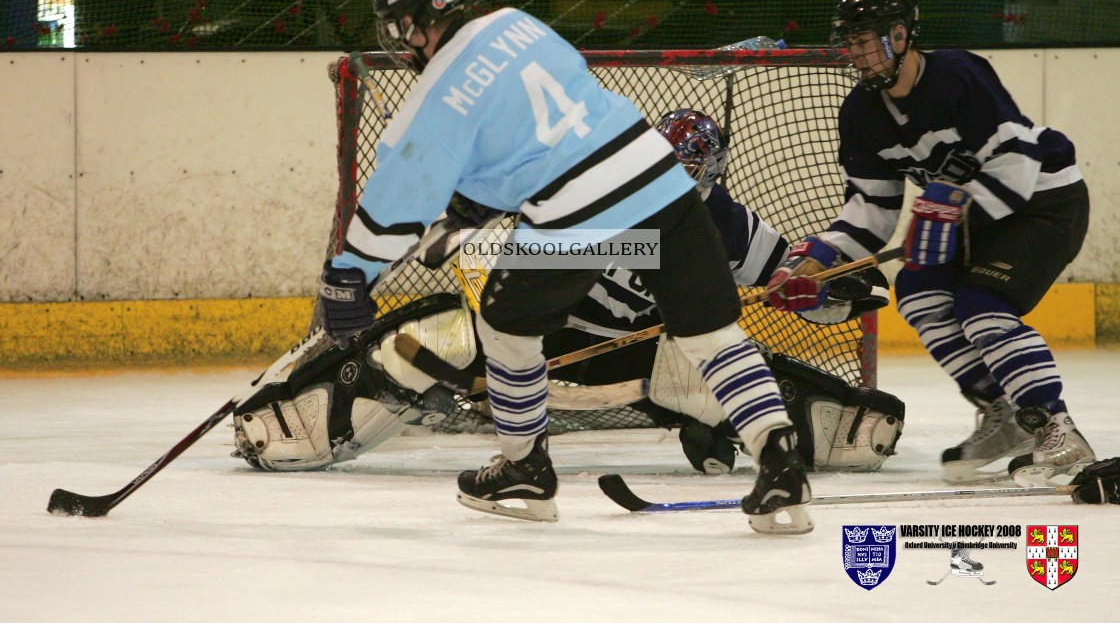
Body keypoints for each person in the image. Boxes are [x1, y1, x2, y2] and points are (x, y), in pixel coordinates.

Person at [316, 0, 813, 533]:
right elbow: (543, 129)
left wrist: (348, 276)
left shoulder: (432, 98)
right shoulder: (516, 23)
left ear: (412, 25)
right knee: (712, 336)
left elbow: (394, 210)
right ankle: (782, 465)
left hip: (578, 214)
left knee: (503, 327)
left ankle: (525, 469)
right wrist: (482, 197)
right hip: (661, 177)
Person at [231, 109, 900, 478]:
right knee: (432, 340)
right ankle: (295, 418)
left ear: (709, 180)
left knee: (709, 364)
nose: (665, 184)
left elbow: (799, 274)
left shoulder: (727, 225)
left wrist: (828, 289)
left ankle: (830, 428)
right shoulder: (595, 187)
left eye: (684, 175)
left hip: (626, 359)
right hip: (533, 333)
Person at [765, 0, 1095, 487]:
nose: (857, 54)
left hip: (1043, 203)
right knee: (917, 292)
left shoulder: (957, 74)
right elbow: (872, 206)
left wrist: (953, 210)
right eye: (850, 43)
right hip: (974, 218)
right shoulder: (860, 112)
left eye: (866, 40)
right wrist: (818, 256)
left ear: (900, 35)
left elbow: (1017, 162)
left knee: (981, 305)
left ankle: (1055, 426)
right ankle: (1003, 413)